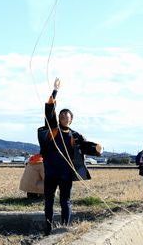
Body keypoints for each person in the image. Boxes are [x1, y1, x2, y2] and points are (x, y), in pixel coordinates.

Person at [38, 78, 102, 236]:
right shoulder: (53, 129)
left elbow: (86, 146)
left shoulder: (75, 135)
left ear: (71, 119)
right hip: (51, 172)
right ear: (59, 118)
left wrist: (97, 148)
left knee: (65, 201)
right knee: (49, 201)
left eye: (68, 117)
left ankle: (64, 228)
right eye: (62, 116)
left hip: (66, 174)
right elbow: (49, 111)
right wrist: (55, 90)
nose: (65, 119)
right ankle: (48, 227)